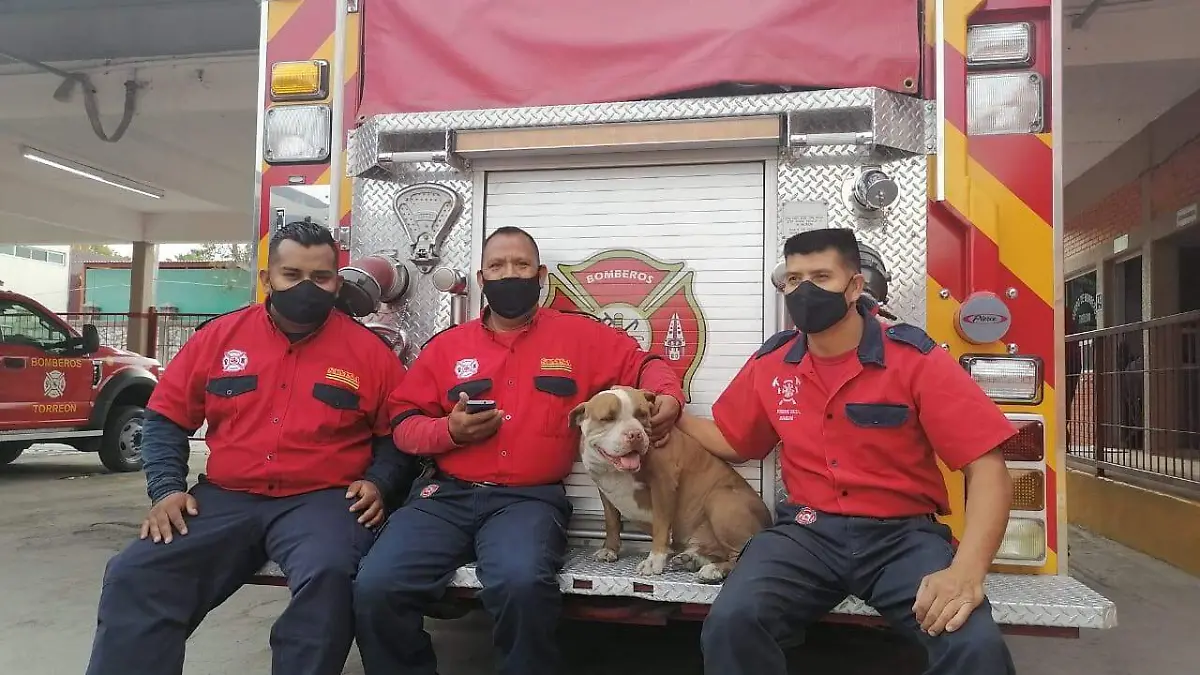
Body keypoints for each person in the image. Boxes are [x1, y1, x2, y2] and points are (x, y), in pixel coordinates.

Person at [676, 228, 1018, 675]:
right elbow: (739, 442)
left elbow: (987, 468)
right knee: (732, 623)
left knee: (974, 647)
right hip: (807, 535)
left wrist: (967, 572)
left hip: (901, 540)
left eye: (821, 275)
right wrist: (673, 414)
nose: (805, 291)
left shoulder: (914, 358)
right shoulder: (772, 364)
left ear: (855, 286)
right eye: (794, 280)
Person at [84, 221, 417, 675]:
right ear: (267, 280)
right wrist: (166, 491)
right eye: (292, 275)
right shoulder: (218, 338)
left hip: (323, 501)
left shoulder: (370, 354)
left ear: (337, 282)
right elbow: (166, 418)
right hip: (226, 497)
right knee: (137, 574)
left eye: (320, 278)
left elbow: (398, 435)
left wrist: (379, 483)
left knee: (330, 577)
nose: (307, 287)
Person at [354, 226, 686, 675]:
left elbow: (646, 364)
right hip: (444, 499)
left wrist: (666, 394)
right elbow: (404, 424)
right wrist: (449, 432)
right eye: (497, 266)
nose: (509, 274)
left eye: (521, 265)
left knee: (522, 586)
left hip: (528, 501)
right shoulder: (447, 347)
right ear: (482, 277)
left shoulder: (581, 338)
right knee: (376, 586)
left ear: (541, 275)